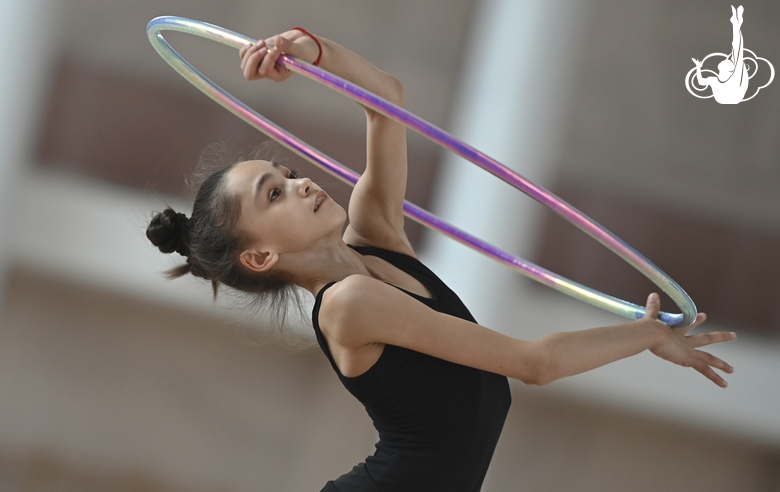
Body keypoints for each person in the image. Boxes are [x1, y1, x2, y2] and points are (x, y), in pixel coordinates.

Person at [146, 27, 736, 492]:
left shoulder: (373, 234)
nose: (299, 183)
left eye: (288, 172)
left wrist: (309, 49)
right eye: (273, 194)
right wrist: (645, 334)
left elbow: (388, 102)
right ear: (260, 255)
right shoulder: (349, 305)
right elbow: (534, 364)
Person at [692, 5, 748, 104]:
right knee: (737, 52)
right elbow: (701, 82)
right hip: (730, 97)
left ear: (729, 69)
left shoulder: (731, 78)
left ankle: (736, 23)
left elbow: (737, 49)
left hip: (732, 96)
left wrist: (698, 68)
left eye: (727, 61)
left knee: (737, 51)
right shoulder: (715, 80)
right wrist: (698, 67)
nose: (725, 59)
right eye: (728, 61)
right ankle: (736, 23)